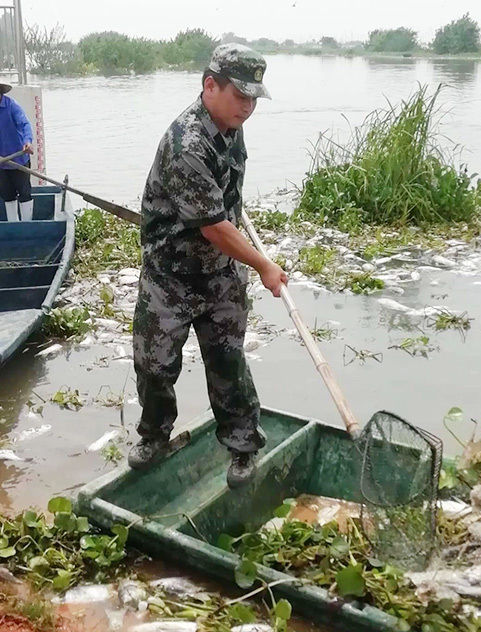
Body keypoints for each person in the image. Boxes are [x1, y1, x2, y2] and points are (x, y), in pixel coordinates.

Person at [130, 43, 288, 488]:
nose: (248, 106)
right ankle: (154, 436)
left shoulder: (230, 127)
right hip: (171, 274)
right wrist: (264, 265)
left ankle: (242, 446)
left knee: (228, 360)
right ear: (209, 85)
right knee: (155, 364)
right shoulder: (187, 141)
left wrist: (237, 243)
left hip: (218, 271)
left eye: (254, 97)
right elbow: (214, 226)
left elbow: (226, 206)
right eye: (240, 95)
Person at [0, 82, 34, 222]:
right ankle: (13, 227)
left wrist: (27, 141)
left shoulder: (11, 106)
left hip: (18, 159)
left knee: (24, 193)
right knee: (7, 195)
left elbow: (25, 124)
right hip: (1, 163)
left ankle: (27, 226)